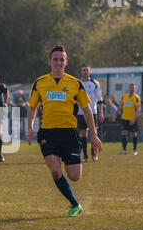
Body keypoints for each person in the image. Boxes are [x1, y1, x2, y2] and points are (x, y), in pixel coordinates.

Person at [27, 45, 102, 217]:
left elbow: (88, 110)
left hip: (69, 134)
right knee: (54, 170)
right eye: (55, 59)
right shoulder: (39, 83)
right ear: (50, 62)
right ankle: (75, 204)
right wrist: (30, 128)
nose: (58, 62)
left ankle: (72, 195)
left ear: (66, 62)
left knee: (74, 176)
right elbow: (32, 108)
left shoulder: (76, 84)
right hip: (47, 134)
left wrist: (94, 135)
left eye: (62, 59)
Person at [77, 65, 104, 162]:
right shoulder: (77, 83)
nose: (85, 72)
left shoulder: (95, 83)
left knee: (94, 132)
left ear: (90, 72)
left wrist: (101, 113)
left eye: (86, 70)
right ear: (81, 72)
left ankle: (93, 152)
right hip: (81, 112)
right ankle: (85, 155)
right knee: (83, 132)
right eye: (83, 70)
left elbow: (99, 99)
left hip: (93, 111)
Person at [112, 83, 141, 155]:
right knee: (124, 133)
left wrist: (134, 119)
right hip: (124, 118)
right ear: (129, 88)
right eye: (131, 88)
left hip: (132, 118)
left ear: (135, 89)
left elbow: (138, 109)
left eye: (133, 88)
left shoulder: (136, 98)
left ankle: (135, 150)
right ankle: (124, 150)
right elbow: (119, 106)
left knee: (134, 134)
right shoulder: (124, 96)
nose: (132, 89)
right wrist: (115, 114)